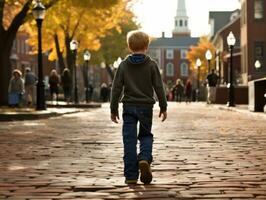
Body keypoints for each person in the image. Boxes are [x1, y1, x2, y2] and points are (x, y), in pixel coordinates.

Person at [110, 30, 167, 185]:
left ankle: (130, 175)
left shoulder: (123, 65)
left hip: (128, 107)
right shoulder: (152, 65)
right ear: (146, 46)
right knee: (146, 135)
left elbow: (116, 88)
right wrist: (163, 106)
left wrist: (113, 109)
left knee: (129, 140)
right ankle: (144, 158)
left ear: (130, 47)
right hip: (146, 107)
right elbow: (159, 87)